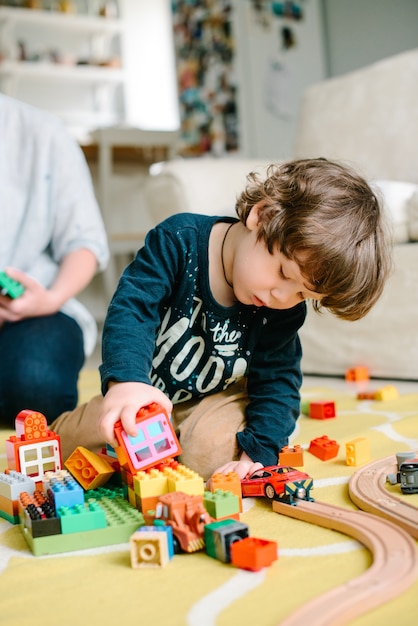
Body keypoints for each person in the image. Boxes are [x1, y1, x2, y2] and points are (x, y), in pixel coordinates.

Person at [52, 158, 392, 481]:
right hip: (145, 392)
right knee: (59, 448)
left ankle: (213, 437)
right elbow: (132, 311)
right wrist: (125, 383)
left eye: (302, 294)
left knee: (210, 456)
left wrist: (260, 450)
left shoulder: (282, 310)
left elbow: (278, 378)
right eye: (282, 273)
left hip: (216, 400)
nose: (283, 298)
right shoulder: (178, 242)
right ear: (261, 216)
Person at [0, 93, 109, 427]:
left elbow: (84, 243)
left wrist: (49, 298)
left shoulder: (45, 133)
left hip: (36, 307)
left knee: (38, 383)